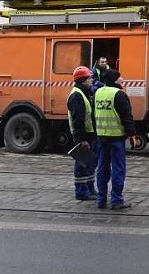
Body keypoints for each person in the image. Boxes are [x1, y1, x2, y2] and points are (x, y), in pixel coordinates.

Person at [93, 69, 138, 210]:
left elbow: (92, 114)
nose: (122, 79)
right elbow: (127, 117)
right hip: (116, 138)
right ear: (114, 80)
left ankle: (101, 199)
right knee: (118, 169)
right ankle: (117, 200)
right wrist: (132, 135)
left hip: (101, 137)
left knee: (102, 168)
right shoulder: (118, 94)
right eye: (120, 77)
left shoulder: (98, 93)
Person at [67, 65, 97, 201]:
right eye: (89, 78)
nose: (91, 80)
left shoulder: (84, 93)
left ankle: (90, 188)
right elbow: (77, 120)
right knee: (82, 164)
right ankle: (81, 191)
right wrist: (82, 139)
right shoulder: (76, 96)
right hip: (83, 136)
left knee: (89, 163)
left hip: (89, 134)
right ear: (82, 81)